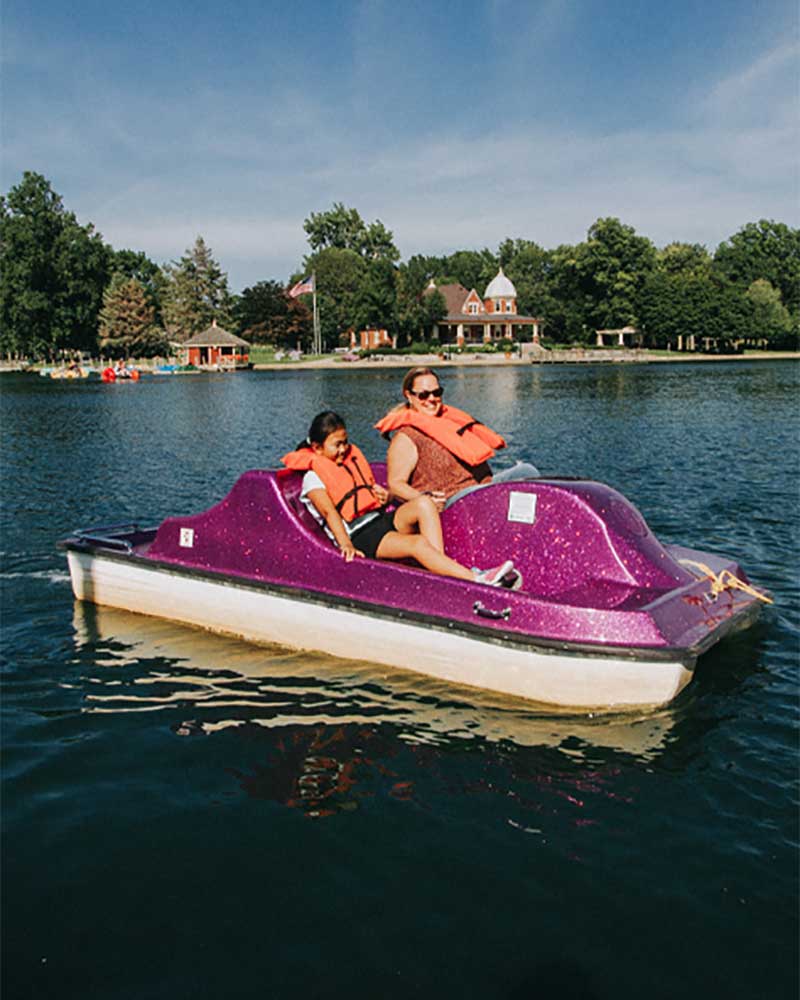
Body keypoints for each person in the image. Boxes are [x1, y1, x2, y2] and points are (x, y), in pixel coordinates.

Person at [281, 411, 520, 588]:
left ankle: (442, 574)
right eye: (337, 445)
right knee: (417, 544)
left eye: (345, 442)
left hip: (378, 520)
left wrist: (383, 497)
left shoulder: (345, 464)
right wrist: (347, 546)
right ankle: (476, 579)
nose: (344, 449)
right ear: (317, 448)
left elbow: (361, 495)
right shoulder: (313, 478)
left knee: (424, 504)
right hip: (360, 536)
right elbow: (330, 513)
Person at [376, 366, 536, 510]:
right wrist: (425, 499)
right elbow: (396, 484)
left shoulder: (449, 422)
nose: (431, 399)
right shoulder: (407, 437)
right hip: (453, 502)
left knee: (527, 471)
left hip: (482, 489)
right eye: (423, 395)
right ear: (409, 396)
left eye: (437, 393)